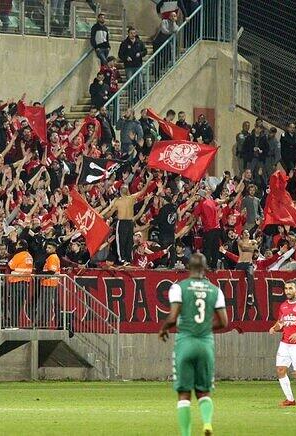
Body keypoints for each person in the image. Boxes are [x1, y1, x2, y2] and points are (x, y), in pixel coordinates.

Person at [158, 253, 228, 436]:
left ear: (188, 267)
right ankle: (206, 423)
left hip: (185, 342)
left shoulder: (178, 288)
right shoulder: (215, 290)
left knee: (184, 394)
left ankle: (186, 434)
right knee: (204, 392)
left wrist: (164, 328)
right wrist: (204, 326)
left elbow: (173, 317)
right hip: (205, 344)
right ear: (205, 268)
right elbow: (223, 322)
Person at [103, 182, 150, 265]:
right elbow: (143, 191)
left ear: (120, 191)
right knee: (128, 241)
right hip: (130, 222)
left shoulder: (118, 201)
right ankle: (127, 260)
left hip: (122, 223)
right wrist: (149, 180)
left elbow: (110, 213)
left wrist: (103, 216)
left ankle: (123, 260)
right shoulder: (131, 198)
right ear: (127, 191)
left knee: (121, 242)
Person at [7, 239, 33, 328]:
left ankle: (14, 325)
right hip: (25, 283)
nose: (16, 246)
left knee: (14, 304)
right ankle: (16, 324)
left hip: (16, 282)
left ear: (20, 246)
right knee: (19, 304)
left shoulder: (18, 255)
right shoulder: (29, 255)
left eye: (17, 245)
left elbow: (11, 265)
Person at [118, 27, 147, 101]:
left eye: (134, 33)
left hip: (138, 65)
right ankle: (131, 98)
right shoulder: (124, 43)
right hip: (129, 66)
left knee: (140, 82)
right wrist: (126, 57)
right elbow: (120, 54)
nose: (133, 35)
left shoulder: (139, 42)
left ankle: (140, 97)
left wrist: (140, 54)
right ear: (128, 33)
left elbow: (145, 51)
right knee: (130, 83)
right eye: (131, 33)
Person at [37, 241, 61, 328]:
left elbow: (51, 271)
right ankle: (43, 323)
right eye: (47, 248)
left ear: (54, 249)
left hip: (49, 283)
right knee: (45, 305)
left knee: (43, 304)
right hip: (49, 283)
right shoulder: (52, 257)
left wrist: (39, 274)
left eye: (49, 248)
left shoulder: (52, 257)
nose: (47, 249)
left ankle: (39, 322)